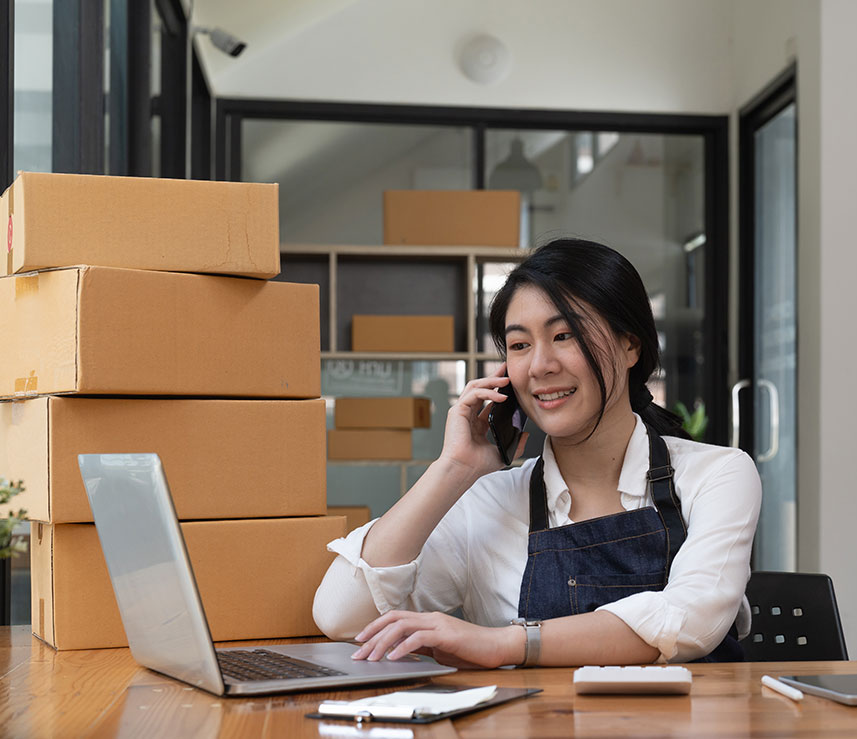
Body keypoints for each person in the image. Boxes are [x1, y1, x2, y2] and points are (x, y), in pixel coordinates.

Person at [312, 238, 762, 668]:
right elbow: (340, 617)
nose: (541, 366)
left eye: (565, 335)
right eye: (520, 345)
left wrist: (505, 643)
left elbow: (691, 620)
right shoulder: (489, 503)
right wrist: (452, 469)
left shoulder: (716, 475)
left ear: (630, 345)